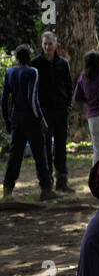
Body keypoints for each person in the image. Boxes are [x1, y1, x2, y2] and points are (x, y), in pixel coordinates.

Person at [2, 44, 54, 201]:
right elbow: (32, 99)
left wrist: (7, 121)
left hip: (16, 119)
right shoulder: (32, 72)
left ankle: (8, 189)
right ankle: (46, 189)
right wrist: (42, 120)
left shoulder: (9, 72)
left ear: (17, 57)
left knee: (15, 155)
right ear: (28, 57)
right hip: (31, 120)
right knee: (40, 154)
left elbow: (4, 100)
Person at [32, 31, 73, 192]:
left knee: (61, 146)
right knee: (46, 146)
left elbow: (69, 85)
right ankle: (47, 182)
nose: (47, 46)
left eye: (50, 43)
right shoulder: (36, 63)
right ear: (41, 45)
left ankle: (62, 181)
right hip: (44, 112)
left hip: (61, 110)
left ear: (56, 45)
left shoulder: (63, 63)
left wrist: (68, 104)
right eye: (45, 44)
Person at [73, 51, 99, 161]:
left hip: (92, 117)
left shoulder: (83, 78)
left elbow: (77, 98)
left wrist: (88, 100)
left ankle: (96, 176)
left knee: (98, 151)